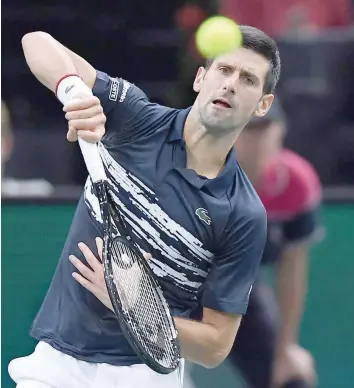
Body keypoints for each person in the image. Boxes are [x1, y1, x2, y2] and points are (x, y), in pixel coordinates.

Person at [9, 25, 281, 388]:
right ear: (201, 78)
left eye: (248, 79)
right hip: (58, 365)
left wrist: (136, 307)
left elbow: (215, 346)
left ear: (263, 104)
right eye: (224, 70)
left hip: (145, 377)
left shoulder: (242, 214)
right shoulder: (136, 118)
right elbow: (36, 42)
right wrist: (74, 92)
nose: (230, 84)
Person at [229, 101, 321, 388]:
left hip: (240, 288)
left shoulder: (296, 182)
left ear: (280, 132)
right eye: (246, 128)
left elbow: (292, 269)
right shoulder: (196, 177)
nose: (256, 139)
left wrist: (286, 348)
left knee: (292, 377)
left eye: (264, 127)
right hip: (176, 293)